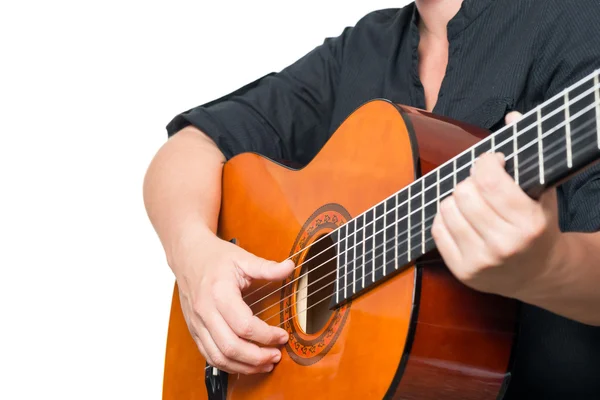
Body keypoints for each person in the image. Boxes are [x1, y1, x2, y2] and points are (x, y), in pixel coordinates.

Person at [143, 0, 600, 397]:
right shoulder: (361, 51)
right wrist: (194, 254)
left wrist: (547, 268)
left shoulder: (577, 21)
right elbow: (192, 145)